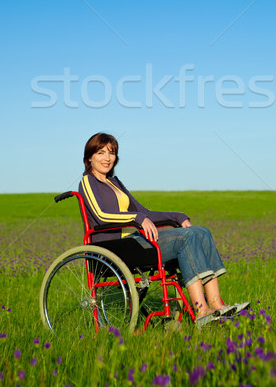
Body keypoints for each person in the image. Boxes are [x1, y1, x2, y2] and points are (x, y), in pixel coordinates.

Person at [78, 132, 249, 326]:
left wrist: (176, 216)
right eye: (101, 152)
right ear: (89, 157)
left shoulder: (115, 183)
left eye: (112, 153)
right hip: (113, 248)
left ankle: (217, 305)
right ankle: (202, 312)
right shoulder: (88, 182)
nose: (107, 158)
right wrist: (137, 218)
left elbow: (143, 212)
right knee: (185, 239)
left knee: (201, 232)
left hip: (133, 242)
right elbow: (101, 216)